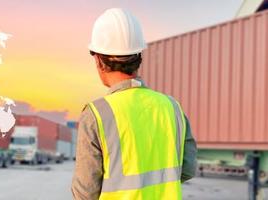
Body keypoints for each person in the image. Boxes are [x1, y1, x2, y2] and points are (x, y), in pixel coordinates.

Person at [71, 8, 197, 200]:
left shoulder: (96, 114)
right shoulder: (171, 107)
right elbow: (187, 169)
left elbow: (85, 193)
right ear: (139, 56)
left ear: (98, 60)